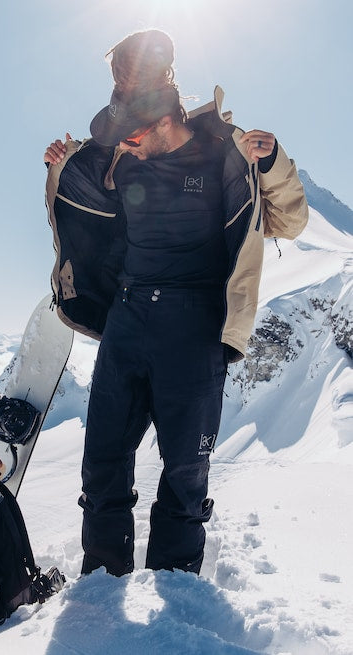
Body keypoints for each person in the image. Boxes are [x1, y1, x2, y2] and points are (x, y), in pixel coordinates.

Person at [44, 30, 308, 577]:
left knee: (186, 472)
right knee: (102, 462)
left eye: (132, 133)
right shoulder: (121, 158)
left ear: (164, 118)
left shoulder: (226, 153)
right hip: (127, 316)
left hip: (195, 326)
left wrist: (272, 165)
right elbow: (82, 206)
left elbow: (290, 221)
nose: (125, 143)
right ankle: (101, 581)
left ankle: (176, 589)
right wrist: (60, 166)